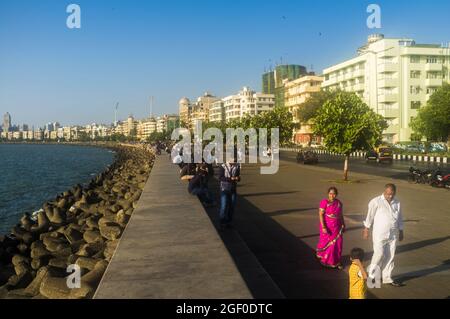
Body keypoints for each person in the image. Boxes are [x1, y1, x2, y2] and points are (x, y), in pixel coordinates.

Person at [363, 183, 404, 287]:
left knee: (390, 256)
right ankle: (370, 276)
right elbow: (370, 215)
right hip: (379, 234)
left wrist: (401, 230)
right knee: (379, 254)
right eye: (388, 194)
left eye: (392, 194)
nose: (390, 196)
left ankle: (387, 278)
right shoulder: (376, 201)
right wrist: (366, 229)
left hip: (393, 234)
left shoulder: (397, 202)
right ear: (384, 192)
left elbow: (399, 217)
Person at [316, 186, 345, 269]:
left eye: (334, 194)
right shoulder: (324, 202)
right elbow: (321, 215)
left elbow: (340, 215)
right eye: (330, 193)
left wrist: (343, 223)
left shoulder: (339, 203)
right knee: (326, 242)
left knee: (338, 243)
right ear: (328, 194)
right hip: (327, 226)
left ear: (336, 194)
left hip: (337, 227)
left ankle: (336, 261)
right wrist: (323, 227)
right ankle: (326, 259)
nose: (332, 195)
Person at [218, 155, 241, 229]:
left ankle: (229, 222)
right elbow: (220, 178)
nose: (234, 161)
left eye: (235, 160)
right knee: (224, 206)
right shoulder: (223, 166)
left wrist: (238, 178)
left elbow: (238, 176)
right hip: (224, 189)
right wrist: (230, 178)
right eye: (233, 160)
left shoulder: (237, 166)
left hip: (233, 189)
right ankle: (222, 222)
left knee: (232, 207)